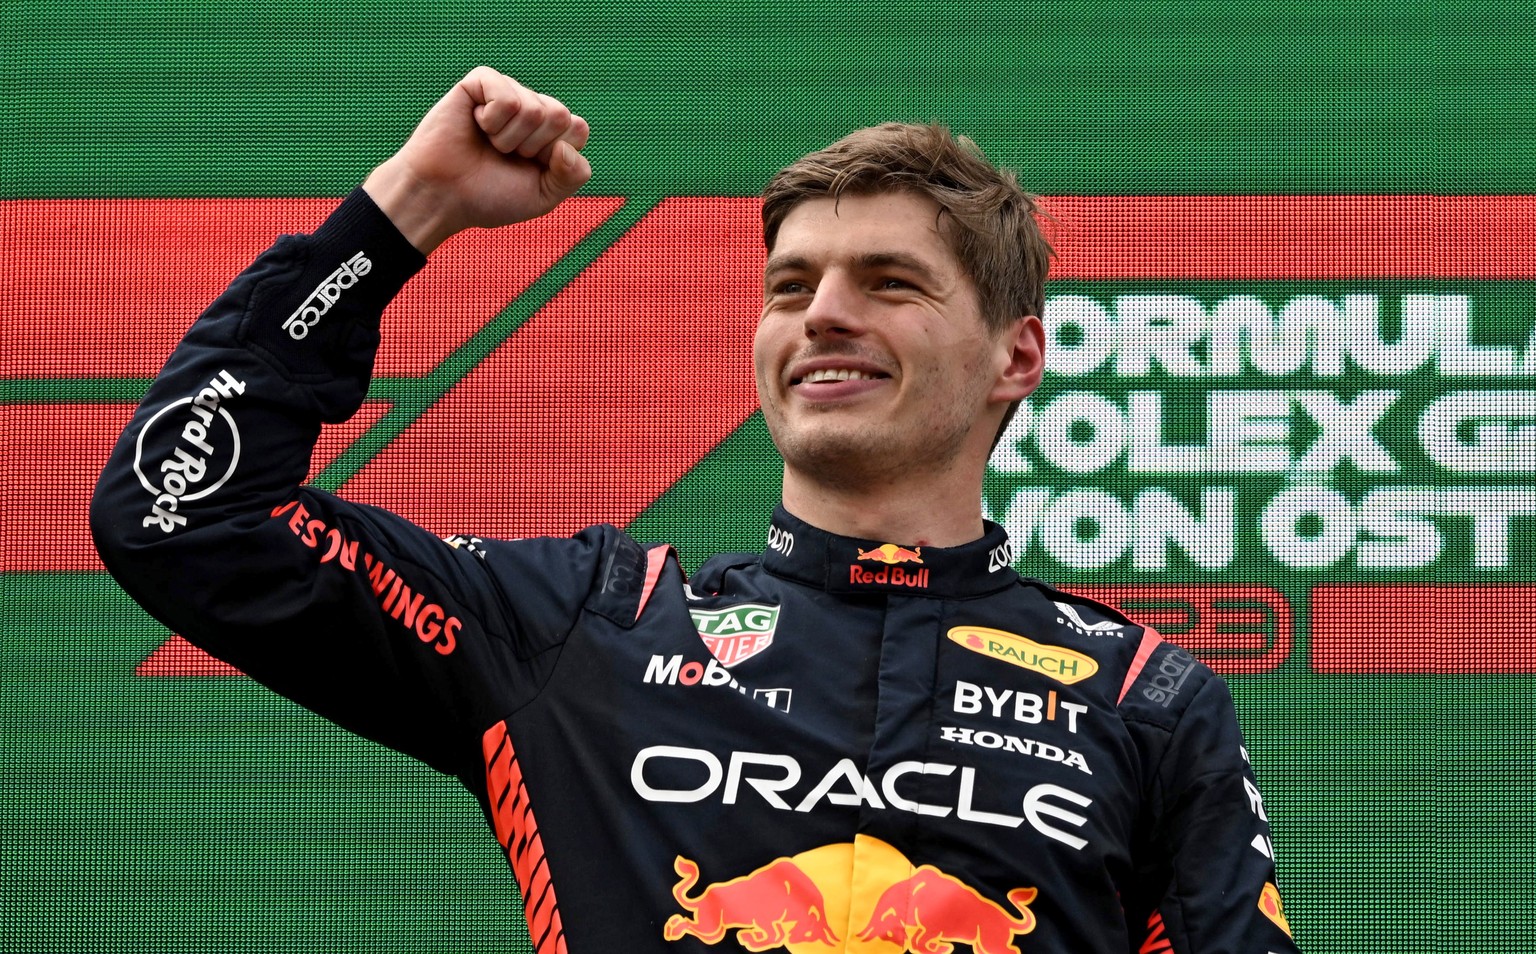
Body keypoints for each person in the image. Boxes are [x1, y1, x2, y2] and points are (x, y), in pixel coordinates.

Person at [91, 68, 1299, 953]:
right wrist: (408, 208)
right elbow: (184, 513)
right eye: (791, 286)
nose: (823, 313)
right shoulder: (586, 627)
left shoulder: (1145, 700)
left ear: (1015, 356)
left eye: (889, 283)